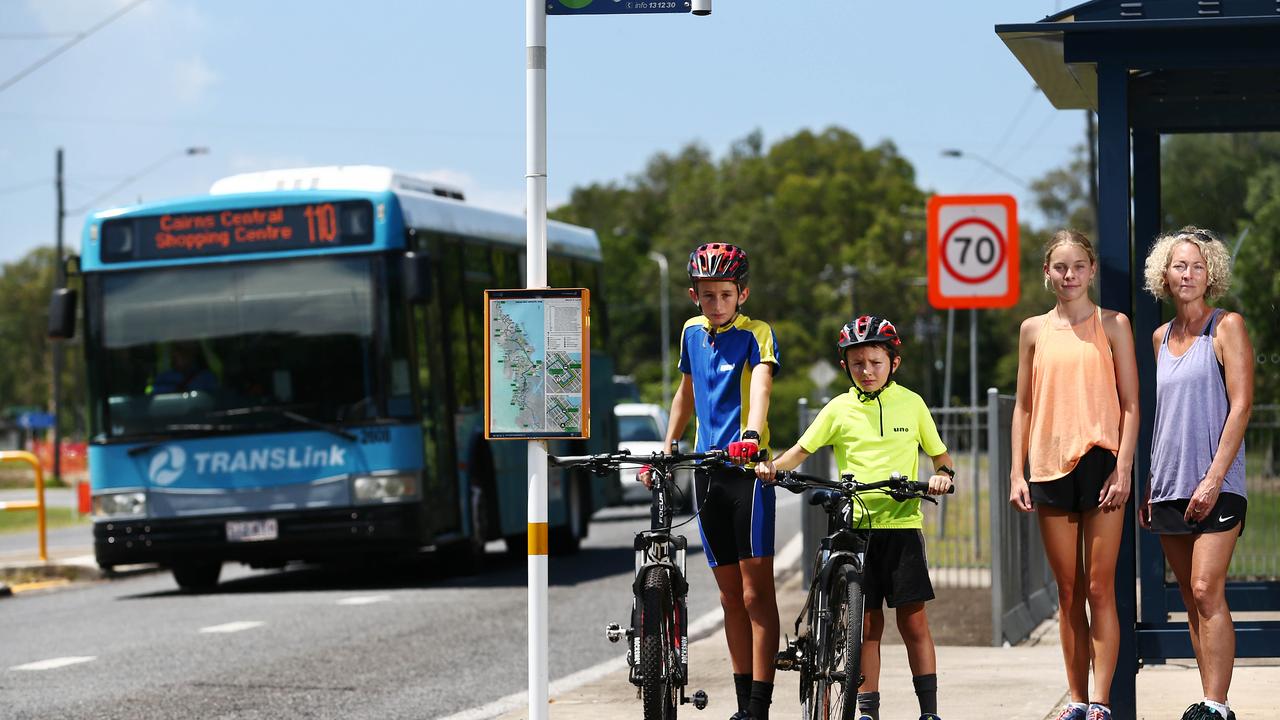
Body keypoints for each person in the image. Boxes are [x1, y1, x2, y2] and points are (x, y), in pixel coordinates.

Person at [756, 315, 956, 720]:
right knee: (866, 627)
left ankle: (929, 712)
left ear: (893, 363)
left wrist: (941, 476)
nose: (867, 371)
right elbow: (801, 450)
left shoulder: (912, 404)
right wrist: (773, 467)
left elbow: (941, 457)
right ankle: (867, 711)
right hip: (855, 527)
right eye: (858, 363)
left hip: (900, 526)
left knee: (914, 624)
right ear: (846, 365)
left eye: (875, 362)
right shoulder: (838, 408)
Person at [639, 242, 781, 720]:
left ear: (742, 293)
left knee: (755, 593)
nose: (716, 303)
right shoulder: (691, 332)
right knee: (727, 596)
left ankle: (760, 705)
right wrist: (668, 443)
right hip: (706, 472)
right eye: (707, 295)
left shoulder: (757, 333)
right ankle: (743, 706)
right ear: (693, 295)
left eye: (725, 293)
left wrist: (751, 434)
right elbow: (686, 391)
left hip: (747, 472)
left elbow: (760, 385)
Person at [1008, 230, 1140, 720]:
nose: (1069, 275)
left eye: (1078, 266)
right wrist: (1015, 473)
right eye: (1060, 267)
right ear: (1047, 273)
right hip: (1047, 465)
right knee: (1068, 593)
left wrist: (1124, 467)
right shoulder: (1032, 330)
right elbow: (1022, 406)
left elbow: (1131, 404)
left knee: (1100, 588)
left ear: (1091, 271)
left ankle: (1101, 703)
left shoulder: (1114, 325)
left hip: (1103, 464)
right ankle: (1077, 700)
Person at [1139, 227, 1253, 720]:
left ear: (1212, 275)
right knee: (1190, 597)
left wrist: (1213, 478)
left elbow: (1242, 406)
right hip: (1167, 485)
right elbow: (1163, 416)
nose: (1187, 274)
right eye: (1179, 265)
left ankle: (1218, 703)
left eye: (1197, 266)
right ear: (1164, 273)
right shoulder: (1160, 337)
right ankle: (1207, 699)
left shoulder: (1227, 326)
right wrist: (1149, 482)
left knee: (1208, 589)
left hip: (1217, 485)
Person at [151, 341, 218, 393]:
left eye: (187, 351)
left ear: (194, 353)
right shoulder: (163, 378)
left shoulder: (207, 377)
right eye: (179, 350)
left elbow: (214, 400)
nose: (181, 355)